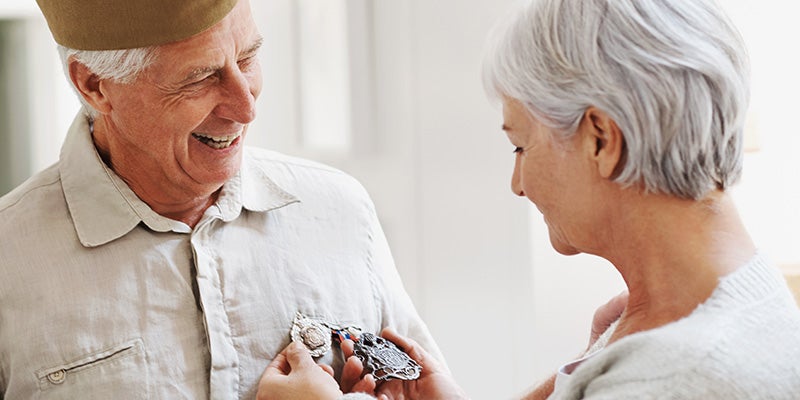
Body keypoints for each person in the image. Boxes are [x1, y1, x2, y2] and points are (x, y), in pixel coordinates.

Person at [256, 0, 800, 399]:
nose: (517, 183)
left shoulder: (677, 377)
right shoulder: (732, 298)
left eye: (520, 144)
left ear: (600, 140)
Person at [0, 1, 444, 398]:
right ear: (95, 84)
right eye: (201, 77)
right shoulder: (9, 262)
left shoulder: (341, 210)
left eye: (248, 58)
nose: (245, 107)